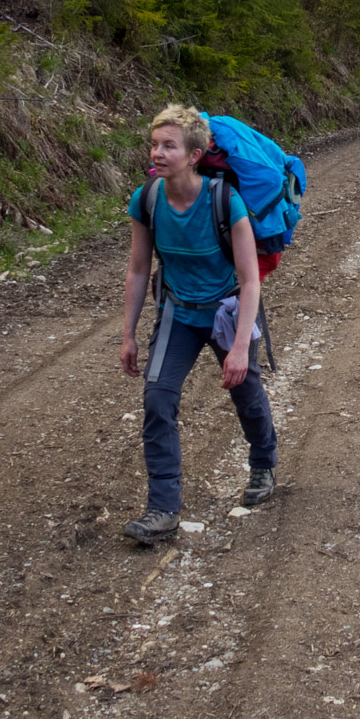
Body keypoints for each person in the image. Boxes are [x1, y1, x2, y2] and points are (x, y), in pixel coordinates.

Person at [118, 105, 277, 544]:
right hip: (178, 314)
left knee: (246, 392)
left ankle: (264, 464)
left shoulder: (225, 200)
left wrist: (241, 347)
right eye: (155, 144)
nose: (158, 152)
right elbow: (137, 270)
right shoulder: (146, 199)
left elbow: (249, 282)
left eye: (169, 145)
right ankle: (163, 509)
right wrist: (129, 334)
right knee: (157, 399)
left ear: (193, 154)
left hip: (226, 313)